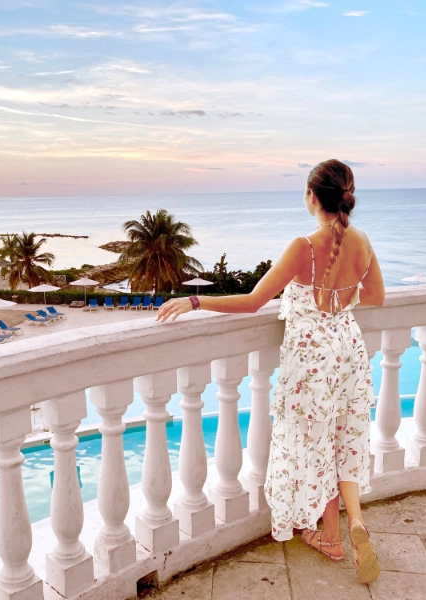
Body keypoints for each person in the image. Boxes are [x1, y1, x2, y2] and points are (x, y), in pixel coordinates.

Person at [157, 159, 385, 585]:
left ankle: (332, 535)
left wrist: (194, 301)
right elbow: (375, 297)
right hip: (349, 353)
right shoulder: (364, 240)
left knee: (315, 447)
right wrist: (337, 302)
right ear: (347, 197)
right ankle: (349, 526)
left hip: (311, 363)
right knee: (346, 438)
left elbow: (252, 301)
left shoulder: (303, 246)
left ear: (311, 196)